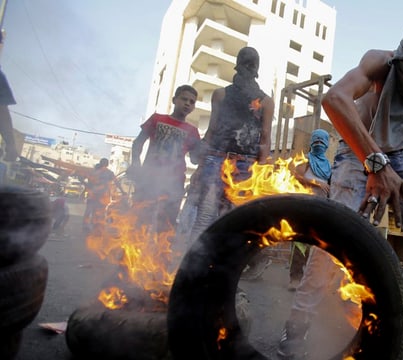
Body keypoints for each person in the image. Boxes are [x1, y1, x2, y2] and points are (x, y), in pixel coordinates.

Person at [278, 14, 403, 360]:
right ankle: (297, 322)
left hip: (400, 156)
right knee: (333, 238)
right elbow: (334, 100)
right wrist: (375, 163)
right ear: (400, 56)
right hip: (354, 150)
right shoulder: (378, 63)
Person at [189, 47, 275, 280]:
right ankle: (194, 268)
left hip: (241, 164)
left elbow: (264, 139)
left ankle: (219, 271)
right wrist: (200, 166)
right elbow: (213, 131)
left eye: (250, 65)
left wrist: (259, 173)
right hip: (218, 158)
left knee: (233, 219)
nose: (248, 69)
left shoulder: (265, 101)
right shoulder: (222, 95)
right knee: (207, 215)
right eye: (247, 65)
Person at [129, 85, 201, 234]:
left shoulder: (193, 131)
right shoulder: (157, 119)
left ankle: (159, 256)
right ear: (174, 100)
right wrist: (136, 165)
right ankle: (131, 255)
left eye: (192, 102)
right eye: (184, 99)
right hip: (149, 179)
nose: (188, 103)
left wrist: (206, 146)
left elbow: (195, 159)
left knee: (165, 227)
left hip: (174, 184)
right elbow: (138, 143)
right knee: (139, 221)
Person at [288, 128, 332, 291]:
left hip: (320, 209)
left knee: (316, 246)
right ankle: (295, 278)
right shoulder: (306, 159)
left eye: (322, 141)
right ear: (311, 142)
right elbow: (296, 177)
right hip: (303, 207)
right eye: (316, 140)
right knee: (300, 244)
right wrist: (315, 183)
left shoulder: (328, 165)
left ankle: (310, 281)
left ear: (327, 144)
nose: (318, 144)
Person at [82, 158, 123, 232]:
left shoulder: (94, 172)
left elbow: (88, 183)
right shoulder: (109, 173)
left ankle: (87, 226)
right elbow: (116, 182)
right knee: (99, 212)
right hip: (103, 197)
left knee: (89, 211)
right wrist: (123, 191)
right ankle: (96, 226)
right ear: (107, 164)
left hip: (93, 195)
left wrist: (87, 189)